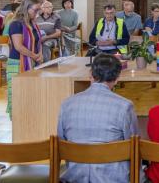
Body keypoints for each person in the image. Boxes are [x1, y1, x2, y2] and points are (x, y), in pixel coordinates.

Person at [58, 54, 139, 183]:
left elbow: (62, 141)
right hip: (113, 178)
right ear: (117, 78)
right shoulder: (125, 106)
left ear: (91, 74)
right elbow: (134, 146)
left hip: (75, 177)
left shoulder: (67, 104)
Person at [6, 0, 43, 118]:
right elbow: (18, 47)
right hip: (17, 63)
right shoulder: (16, 24)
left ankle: (29, 118)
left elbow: (38, 41)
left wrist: (40, 54)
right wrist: (35, 56)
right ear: (26, 8)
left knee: (30, 93)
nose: (37, 13)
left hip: (32, 62)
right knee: (18, 94)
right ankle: (18, 120)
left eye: (39, 10)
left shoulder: (33, 24)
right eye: (35, 10)